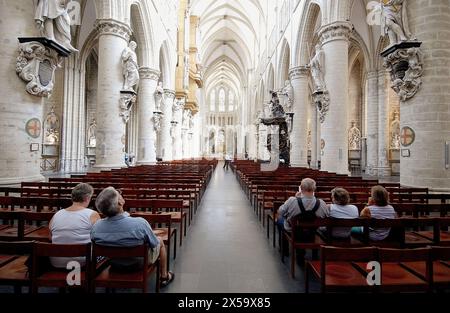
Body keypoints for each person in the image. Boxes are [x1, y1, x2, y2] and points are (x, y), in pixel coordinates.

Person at [91, 187, 174, 287]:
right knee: (159, 241)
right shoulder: (140, 223)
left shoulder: (96, 227)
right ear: (120, 203)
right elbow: (153, 243)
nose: (121, 194)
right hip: (139, 263)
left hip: (114, 263)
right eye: (119, 194)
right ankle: (164, 276)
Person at [48, 183, 100, 268]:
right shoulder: (92, 214)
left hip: (56, 261)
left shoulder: (57, 214)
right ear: (87, 198)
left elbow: (50, 237)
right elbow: (99, 238)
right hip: (82, 262)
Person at [277, 178, 328, 262]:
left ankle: (284, 249)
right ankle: (311, 254)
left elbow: (280, 211)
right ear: (314, 189)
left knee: (279, 220)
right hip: (312, 232)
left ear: (301, 188)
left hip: (293, 231)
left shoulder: (292, 200)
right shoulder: (321, 203)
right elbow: (325, 216)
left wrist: (296, 198)